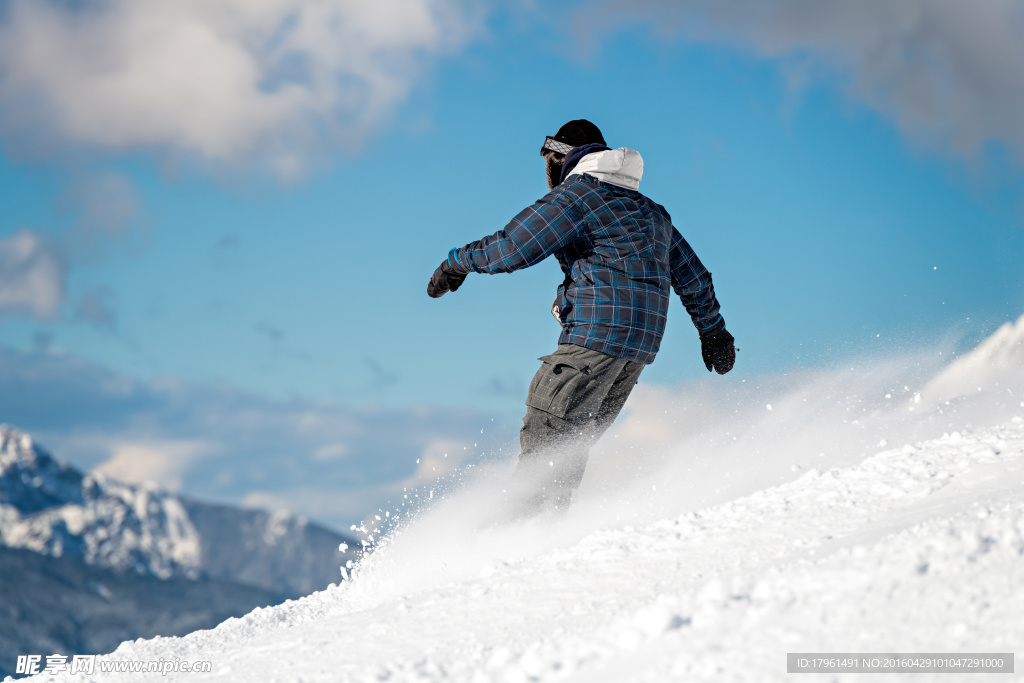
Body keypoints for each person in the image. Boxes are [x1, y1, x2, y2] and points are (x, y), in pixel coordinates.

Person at [427, 119, 735, 512]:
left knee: (545, 449)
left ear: (560, 158)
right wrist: (714, 333)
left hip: (593, 342)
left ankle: (516, 551)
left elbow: (514, 247)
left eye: (548, 163)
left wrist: (456, 263)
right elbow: (694, 277)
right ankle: (548, 550)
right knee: (564, 458)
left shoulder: (578, 196)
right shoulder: (652, 213)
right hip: (633, 355)